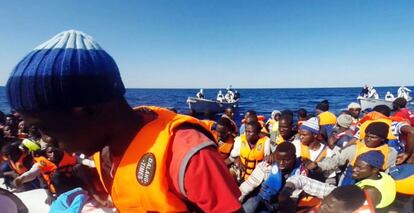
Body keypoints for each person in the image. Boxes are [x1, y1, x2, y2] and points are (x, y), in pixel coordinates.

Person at [6, 30, 241, 212]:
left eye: (44, 128)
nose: (45, 141)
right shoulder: (103, 147)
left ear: (89, 109)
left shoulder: (187, 155)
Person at [282, 151, 396, 210]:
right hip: (349, 197)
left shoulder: (368, 192)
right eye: (354, 165)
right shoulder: (383, 176)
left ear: (375, 169)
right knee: (300, 182)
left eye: (360, 168)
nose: (354, 169)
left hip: (350, 202)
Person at [306, 122, 398, 186]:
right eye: (367, 136)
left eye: (373, 137)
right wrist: (318, 165)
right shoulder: (354, 148)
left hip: (375, 183)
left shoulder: (390, 153)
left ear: (382, 139)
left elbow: (390, 172)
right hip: (350, 180)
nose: (368, 139)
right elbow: (335, 161)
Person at [239, 142, 306, 213]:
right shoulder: (266, 166)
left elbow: (295, 197)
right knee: (253, 202)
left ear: (294, 157)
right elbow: (247, 186)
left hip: (282, 206)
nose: (281, 163)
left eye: (286, 160)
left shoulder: (301, 171)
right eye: (278, 159)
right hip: (261, 199)